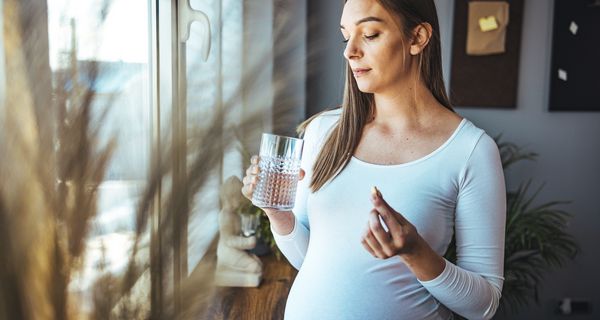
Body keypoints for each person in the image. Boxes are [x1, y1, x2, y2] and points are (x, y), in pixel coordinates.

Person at [241, 0, 506, 319]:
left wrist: (416, 252)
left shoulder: (470, 150)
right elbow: (310, 260)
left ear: (417, 38)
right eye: (345, 36)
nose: (349, 51)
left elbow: (485, 305)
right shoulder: (323, 132)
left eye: (369, 34)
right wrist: (278, 215)